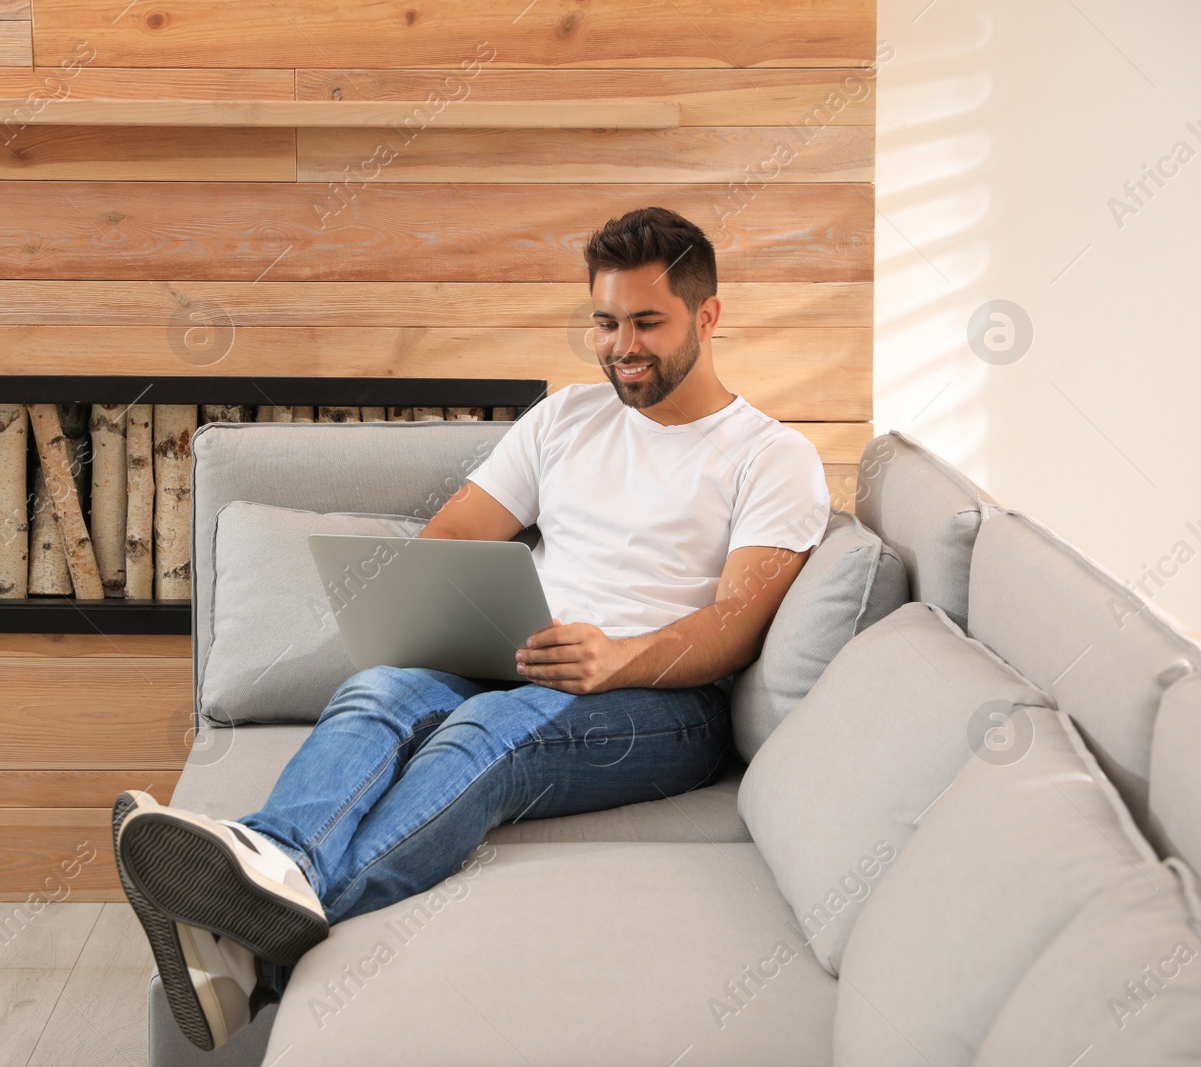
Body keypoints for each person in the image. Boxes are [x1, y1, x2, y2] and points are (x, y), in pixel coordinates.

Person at [111, 205, 831, 1052]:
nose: (622, 345)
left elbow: (736, 623)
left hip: (661, 699)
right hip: (520, 652)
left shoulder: (769, 455)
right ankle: (273, 860)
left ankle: (249, 944)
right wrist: (457, 612)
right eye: (605, 322)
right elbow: (454, 534)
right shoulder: (568, 419)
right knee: (376, 689)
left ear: (707, 316)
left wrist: (620, 655)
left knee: (484, 732)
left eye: (647, 322)